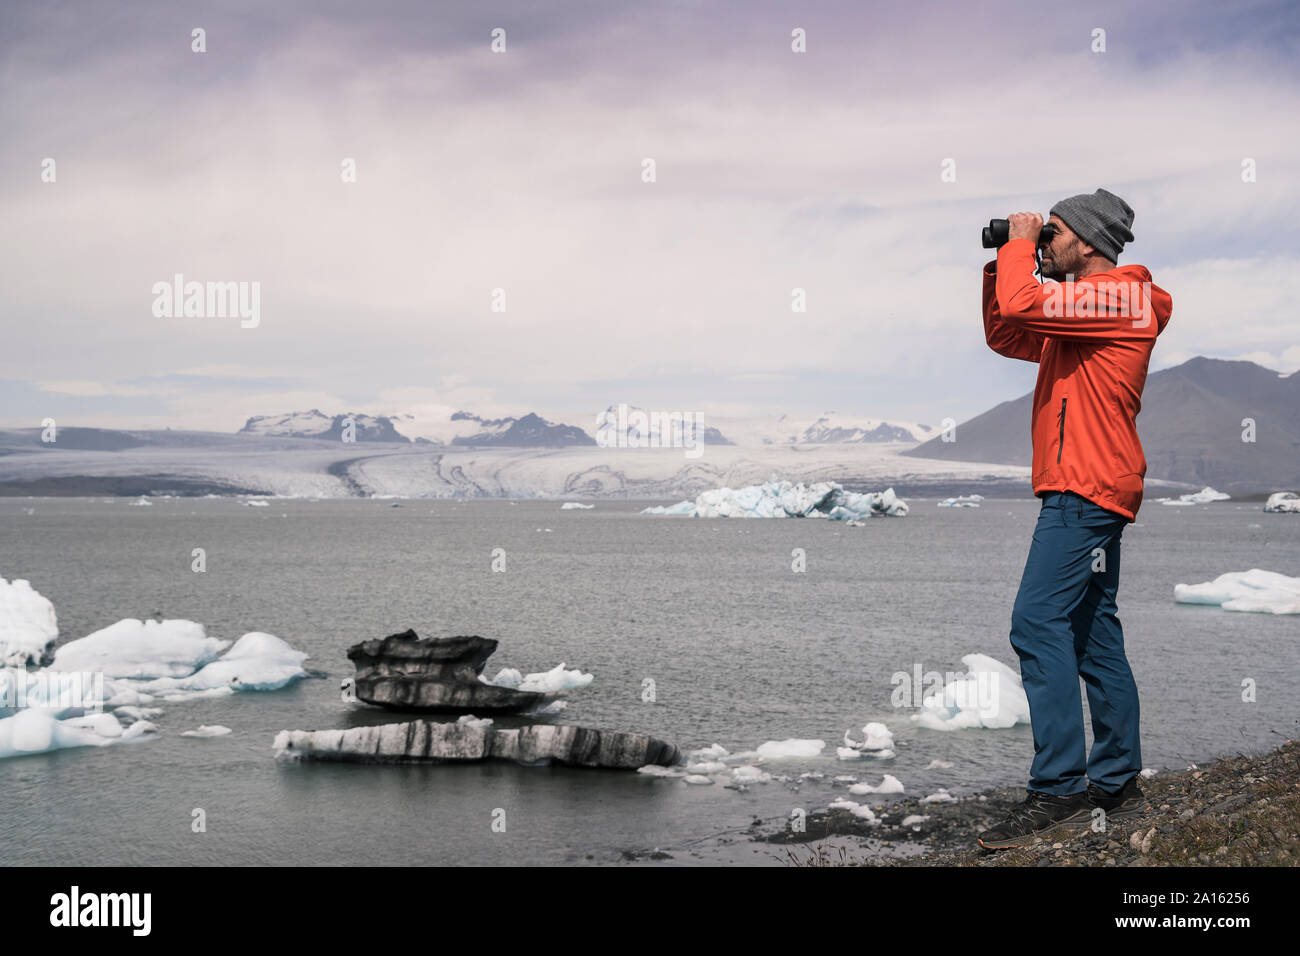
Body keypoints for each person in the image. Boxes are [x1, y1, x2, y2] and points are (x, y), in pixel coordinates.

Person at [977, 188, 1174, 850]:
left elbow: (1024, 301)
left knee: (1035, 623)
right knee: (1091, 634)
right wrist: (999, 262)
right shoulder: (1078, 318)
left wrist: (1014, 252)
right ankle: (1115, 782)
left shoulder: (1119, 298)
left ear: (1087, 243)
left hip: (1085, 489)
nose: (1042, 241)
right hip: (1088, 486)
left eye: (1051, 232)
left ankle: (1058, 787)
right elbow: (1008, 329)